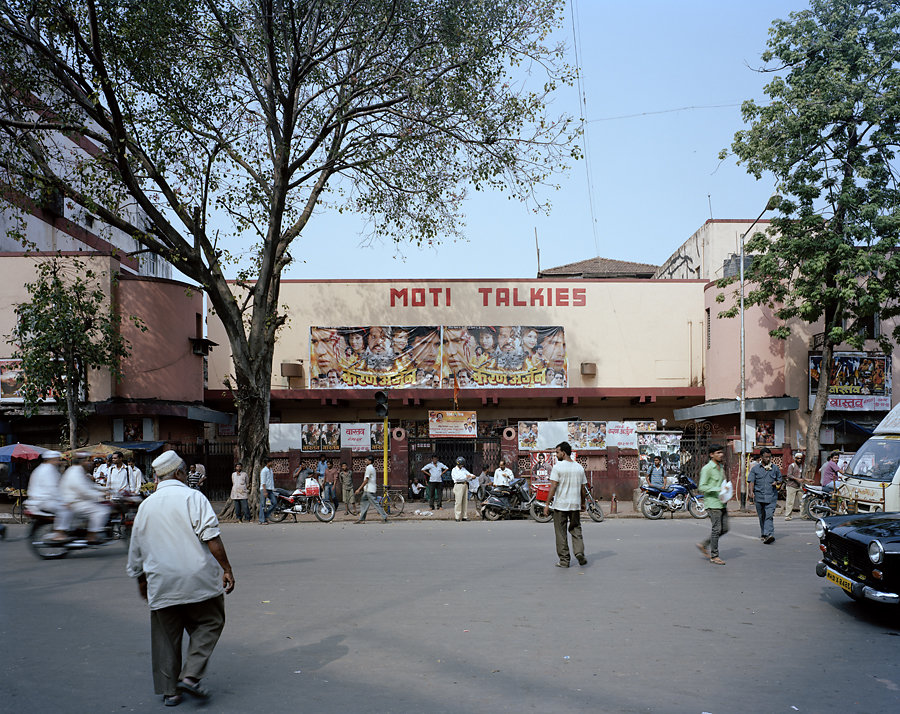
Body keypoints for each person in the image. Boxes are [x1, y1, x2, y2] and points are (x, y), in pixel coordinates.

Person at [126, 450, 235, 707]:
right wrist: (227, 569)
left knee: (166, 635)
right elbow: (212, 538)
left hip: (162, 582)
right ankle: (191, 675)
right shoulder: (193, 497)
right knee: (210, 621)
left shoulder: (146, 506)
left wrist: (141, 580)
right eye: (186, 472)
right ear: (179, 473)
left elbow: (136, 550)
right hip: (198, 580)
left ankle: (170, 691)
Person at [542, 442, 588, 568]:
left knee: (560, 532)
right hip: (575, 505)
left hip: (560, 505)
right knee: (576, 529)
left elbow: (553, 486)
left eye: (557, 452)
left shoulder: (558, 467)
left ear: (564, 452)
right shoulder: (579, 468)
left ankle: (564, 560)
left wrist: (547, 504)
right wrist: (583, 503)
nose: (556, 454)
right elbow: (583, 489)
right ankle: (579, 552)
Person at [59, 452, 110, 544]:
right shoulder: (76, 473)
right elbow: (84, 490)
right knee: (102, 510)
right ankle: (92, 536)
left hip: (78, 500)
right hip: (75, 502)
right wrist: (100, 495)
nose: (90, 463)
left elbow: (90, 485)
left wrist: (106, 489)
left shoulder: (79, 471)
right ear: (82, 461)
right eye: (88, 461)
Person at [25, 451, 71, 542]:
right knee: (66, 510)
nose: (58, 462)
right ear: (50, 459)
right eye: (57, 459)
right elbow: (53, 488)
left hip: (43, 499)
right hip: (44, 500)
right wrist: (64, 502)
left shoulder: (45, 468)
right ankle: (59, 533)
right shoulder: (48, 470)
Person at [698, 444, 729, 565]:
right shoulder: (707, 468)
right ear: (711, 455)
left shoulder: (721, 466)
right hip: (712, 503)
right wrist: (717, 489)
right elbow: (702, 486)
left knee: (725, 528)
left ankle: (704, 544)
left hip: (722, 502)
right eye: (718, 453)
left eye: (722, 452)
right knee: (716, 529)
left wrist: (726, 491)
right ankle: (714, 556)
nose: (721, 455)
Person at [748, 447, 783, 544]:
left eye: (769, 457)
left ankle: (769, 534)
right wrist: (751, 492)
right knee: (762, 516)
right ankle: (764, 533)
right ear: (761, 457)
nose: (768, 459)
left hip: (771, 496)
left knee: (769, 515)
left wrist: (777, 483)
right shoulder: (755, 469)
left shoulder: (775, 468)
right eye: (766, 457)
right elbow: (751, 481)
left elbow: (780, 480)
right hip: (759, 496)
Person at [354, 456, 388, 523]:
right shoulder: (372, 468)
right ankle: (362, 519)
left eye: (366, 460)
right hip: (368, 490)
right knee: (364, 503)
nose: (365, 461)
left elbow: (366, 480)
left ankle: (384, 516)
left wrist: (359, 489)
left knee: (376, 504)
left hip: (369, 490)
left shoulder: (369, 468)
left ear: (370, 461)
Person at [451, 456, 475, 522]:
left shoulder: (463, 469)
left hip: (465, 485)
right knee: (458, 502)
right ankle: (457, 517)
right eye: (461, 464)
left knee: (465, 501)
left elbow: (469, 474)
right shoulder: (454, 470)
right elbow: (457, 478)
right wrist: (466, 477)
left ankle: (464, 516)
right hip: (458, 485)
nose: (462, 466)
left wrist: (472, 476)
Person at [783, 452, 806, 521]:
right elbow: (789, 475)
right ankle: (787, 516)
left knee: (802, 501)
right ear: (795, 458)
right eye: (798, 458)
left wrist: (806, 479)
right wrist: (797, 479)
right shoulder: (792, 466)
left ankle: (803, 515)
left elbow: (801, 476)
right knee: (790, 502)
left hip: (799, 486)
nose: (799, 460)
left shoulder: (801, 466)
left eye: (801, 458)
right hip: (791, 486)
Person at [259, 456, 278, 525]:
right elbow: (263, 482)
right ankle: (261, 520)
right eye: (271, 462)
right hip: (264, 489)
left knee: (274, 503)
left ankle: (266, 516)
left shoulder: (270, 470)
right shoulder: (264, 471)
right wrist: (264, 491)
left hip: (270, 489)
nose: (272, 463)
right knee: (263, 505)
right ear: (267, 462)